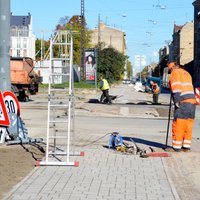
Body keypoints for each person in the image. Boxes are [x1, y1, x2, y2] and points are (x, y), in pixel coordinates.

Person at [168, 62, 196, 152]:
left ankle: (176, 147)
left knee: (179, 124)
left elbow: (176, 87)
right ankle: (186, 146)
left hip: (182, 101)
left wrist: (176, 101)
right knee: (188, 124)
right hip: (192, 102)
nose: (170, 73)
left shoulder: (175, 72)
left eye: (169, 71)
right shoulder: (186, 73)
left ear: (172, 68)